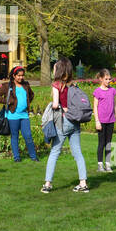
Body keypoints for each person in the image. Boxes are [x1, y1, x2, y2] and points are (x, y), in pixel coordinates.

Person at [41, 58, 89, 194]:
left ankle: (47, 184)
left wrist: (52, 106)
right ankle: (83, 183)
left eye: (55, 67)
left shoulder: (57, 84)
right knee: (78, 153)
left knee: (55, 152)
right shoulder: (73, 85)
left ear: (59, 69)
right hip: (75, 121)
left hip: (63, 121)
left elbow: (56, 104)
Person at [0, 65, 38, 162]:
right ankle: (17, 157)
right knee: (15, 136)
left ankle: (33, 157)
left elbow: (31, 95)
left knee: (28, 135)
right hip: (13, 115)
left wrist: (27, 103)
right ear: (14, 75)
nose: (21, 77)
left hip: (24, 115)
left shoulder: (26, 85)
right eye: (18, 75)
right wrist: (6, 101)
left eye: (22, 76)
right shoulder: (7, 86)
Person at [92, 68, 116, 173]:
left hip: (111, 120)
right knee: (101, 143)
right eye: (106, 79)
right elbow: (95, 107)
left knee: (109, 143)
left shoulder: (112, 91)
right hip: (101, 121)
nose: (108, 81)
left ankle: (108, 164)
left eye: (109, 79)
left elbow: (115, 105)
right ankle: (100, 165)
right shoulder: (97, 92)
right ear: (101, 79)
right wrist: (97, 121)